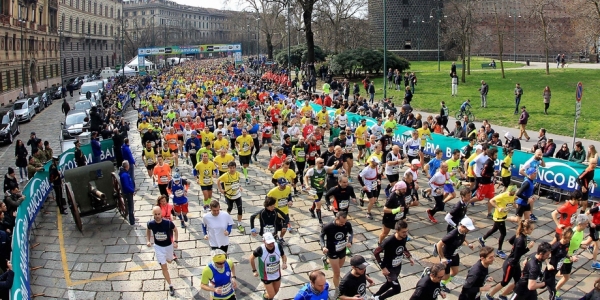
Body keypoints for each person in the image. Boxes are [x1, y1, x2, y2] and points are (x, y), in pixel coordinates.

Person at [484, 220, 536, 300]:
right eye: (531, 229)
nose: (532, 231)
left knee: (518, 281)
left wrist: (517, 247)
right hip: (511, 264)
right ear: (525, 229)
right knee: (504, 282)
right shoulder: (521, 240)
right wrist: (528, 248)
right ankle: (489, 295)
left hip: (515, 263)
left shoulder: (520, 235)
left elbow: (511, 241)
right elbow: (517, 255)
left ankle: (503, 295)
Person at [373, 220, 414, 300]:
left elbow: (403, 247)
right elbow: (376, 252)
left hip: (397, 266)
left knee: (389, 283)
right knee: (397, 289)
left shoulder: (404, 237)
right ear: (397, 231)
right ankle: (380, 298)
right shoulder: (388, 241)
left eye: (406, 231)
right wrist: (383, 267)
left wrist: (409, 256)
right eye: (403, 232)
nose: (405, 234)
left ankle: (375, 296)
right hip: (389, 269)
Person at [435, 216, 476, 292]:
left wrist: (468, 244)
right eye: (468, 229)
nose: (469, 231)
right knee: (446, 276)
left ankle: (442, 285)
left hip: (455, 254)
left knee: (455, 272)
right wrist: (443, 258)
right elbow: (439, 244)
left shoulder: (463, 232)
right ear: (463, 226)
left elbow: (463, 238)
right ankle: (429, 274)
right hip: (447, 256)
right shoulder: (452, 235)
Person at [554, 214, 589, 300]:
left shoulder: (581, 231)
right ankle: (555, 291)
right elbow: (562, 249)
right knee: (566, 277)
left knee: (562, 274)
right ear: (580, 224)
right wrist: (570, 257)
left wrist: (581, 246)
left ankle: (548, 275)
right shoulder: (572, 235)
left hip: (570, 258)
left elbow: (577, 243)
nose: (587, 225)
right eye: (585, 223)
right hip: (566, 259)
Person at [146, 206, 178, 296]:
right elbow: (148, 230)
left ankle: (168, 259)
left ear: (161, 214)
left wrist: (176, 241)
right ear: (153, 214)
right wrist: (148, 240)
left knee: (170, 261)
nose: (157, 216)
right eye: (155, 214)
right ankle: (170, 285)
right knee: (164, 267)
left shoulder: (168, 223)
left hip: (168, 246)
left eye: (158, 214)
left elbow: (175, 230)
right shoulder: (150, 223)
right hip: (158, 247)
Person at [478, 185, 518, 259]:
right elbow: (491, 201)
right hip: (498, 217)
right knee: (503, 233)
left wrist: (515, 205)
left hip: (503, 216)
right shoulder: (502, 196)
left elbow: (512, 200)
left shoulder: (513, 195)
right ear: (509, 191)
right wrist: (498, 208)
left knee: (494, 229)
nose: (514, 193)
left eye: (515, 191)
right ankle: (499, 250)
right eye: (513, 191)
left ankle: (482, 239)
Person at [320, 211, 353, 294]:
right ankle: (337, 290)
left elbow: (351, 232)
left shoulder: (347, 224)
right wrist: (323, 247)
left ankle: (326, 261)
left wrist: (350, 241)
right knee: (337, 273)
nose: (343, 224)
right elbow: (321, 236)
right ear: (336, 219)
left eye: (344, 222)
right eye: (341, 222)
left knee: (340, 266)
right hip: (332, 251)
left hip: (342, 249)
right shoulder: (328, 226)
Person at [249, 232, 287, 300]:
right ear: (264, 241)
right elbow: (251, 258)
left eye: (272, 242)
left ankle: (266, 296)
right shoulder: (260, 249)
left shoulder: (278, 246)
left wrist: (284, 263)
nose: (271, 245)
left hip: (276, 274)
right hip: (266, 276)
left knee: (276, 291)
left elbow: (283, 256)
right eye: (269, 243)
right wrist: (254, 270)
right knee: (271, 295)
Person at [216, 161, 244, 231]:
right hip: (229, 196)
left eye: (233, 168)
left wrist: (239, 187)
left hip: (237, 195)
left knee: (240, 209)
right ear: (228, 168)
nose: (232, 169)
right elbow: (218, 180)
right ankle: (225, 220)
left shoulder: (237, 174)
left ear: (235, 168)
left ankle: (239, 223)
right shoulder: (225, 175)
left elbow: (237, 182)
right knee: (230, 208)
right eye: (230, 168)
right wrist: (221, 189)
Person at [119, 161, 136, 226]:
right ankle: (132, 221)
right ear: (127, 166)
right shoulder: (125, 175)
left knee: (131, 207)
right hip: (128, 193)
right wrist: (132, 191)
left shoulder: (123, 173)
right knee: (131, 207)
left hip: (128, 192)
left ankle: (132, 218)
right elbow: (126, 185)